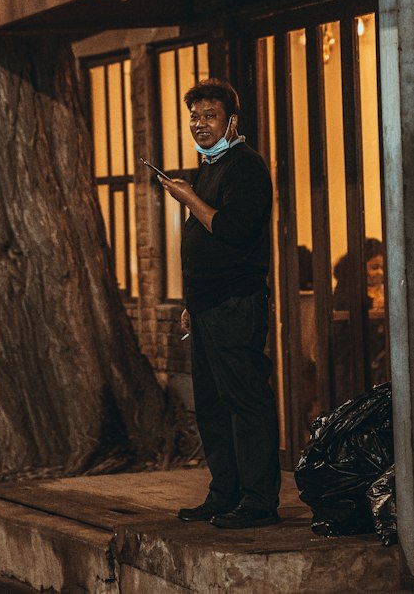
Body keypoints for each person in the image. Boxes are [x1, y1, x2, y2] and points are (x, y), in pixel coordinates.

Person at [159, 77, 281, 529]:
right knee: (211, 404)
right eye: (194, 117)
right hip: (208, 306)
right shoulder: (210, 166)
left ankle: (258, 502)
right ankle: (223, 493)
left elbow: (233, 230)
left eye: (209, 117)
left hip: (236, 304)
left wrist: (188, 197)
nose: (199, 125)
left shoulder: (245, 166)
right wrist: (193, 301)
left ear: (231, 121)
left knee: (245, 400)